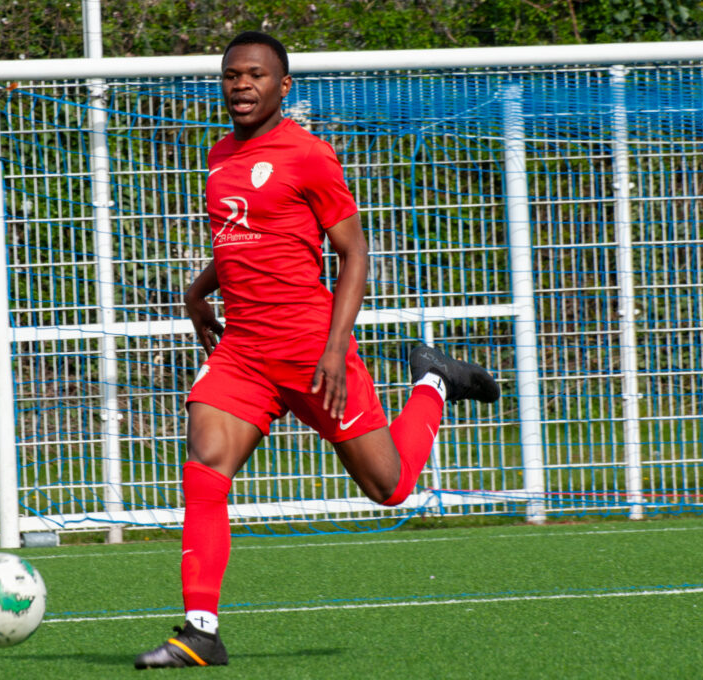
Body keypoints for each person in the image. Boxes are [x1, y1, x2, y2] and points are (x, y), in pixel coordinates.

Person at [134, 31, 500, 670]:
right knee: (205, 461)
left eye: (255, 75)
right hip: (244, 351)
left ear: (282, 87)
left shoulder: (308, 155)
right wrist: (198, 292)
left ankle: (434, 382)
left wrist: (334, 348)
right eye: (231, 75)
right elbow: (244, 237)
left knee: (389, 487)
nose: (241, 84)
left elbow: (354, 252)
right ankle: (200, 631)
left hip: (310, 347)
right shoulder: (218, 156)